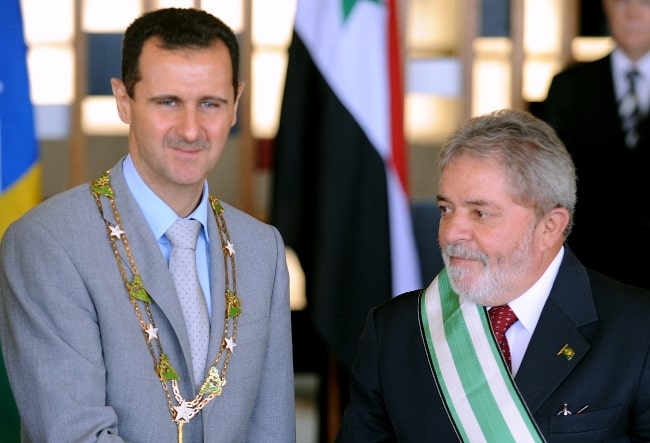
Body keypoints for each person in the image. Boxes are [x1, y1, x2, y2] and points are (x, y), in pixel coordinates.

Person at [0, 8, 295, 442]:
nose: (191, 130)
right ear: (124, 101)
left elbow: (272, 429)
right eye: (168, 102)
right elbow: (74, 434)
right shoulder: (48, 243)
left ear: (236, 103)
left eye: (210, 104)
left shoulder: (261, 249)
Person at [336, 109, 650, 442]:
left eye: (480, 213)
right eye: (446, 209)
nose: (452, 232)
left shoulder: (637, 329)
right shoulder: (393, 333)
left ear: (550, 226)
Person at [541, 0, 650, 289]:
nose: (633, 13)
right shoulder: (568, 87)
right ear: (606, 7)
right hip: (589, 268)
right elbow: (547, 180)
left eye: (645, 3)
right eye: (622, 2)